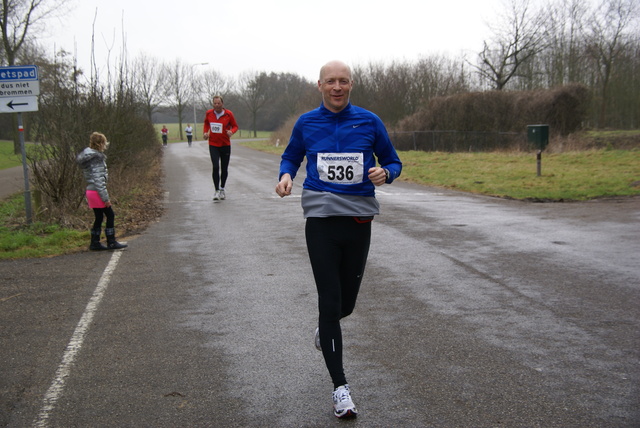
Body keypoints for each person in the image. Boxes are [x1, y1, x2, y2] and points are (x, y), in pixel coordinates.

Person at [275, 60, 402, 418]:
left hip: (359, 220)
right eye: (330, 81)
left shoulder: (369, 121)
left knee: (347, 304)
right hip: (320, 219)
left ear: (351, 85)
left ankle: (326, 327)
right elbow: (291, 156)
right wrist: (286, 176)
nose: (337, 86)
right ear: (320, 85)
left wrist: (385, 173)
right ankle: (340, 388)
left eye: (343, 81)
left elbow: (393, 161)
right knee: (330, 301)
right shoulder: (306, 122)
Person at [76, 132, 128, 251]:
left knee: (99, 217)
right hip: (96, 191)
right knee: (110, 214)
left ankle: (95, 242)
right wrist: (106, 199)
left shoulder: (88, 157)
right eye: (104, 143)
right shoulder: (97, 159)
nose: (105, 145)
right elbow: (99, 181)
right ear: (100, 143)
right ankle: (111, 241)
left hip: (90, 190)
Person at [203, 95, 238, 200]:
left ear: (222, 104)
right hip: (213, 144)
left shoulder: (228, 114)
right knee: (215, 167)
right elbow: (206, 123)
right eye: (215, 103)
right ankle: (216, 190)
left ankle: (222, 188)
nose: (217, 105)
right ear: (213, 104)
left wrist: (231, 132)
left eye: (218, 103)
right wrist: (205, 133)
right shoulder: (209, 113)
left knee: (224, 168)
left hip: (225, 145)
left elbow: (235, 126)